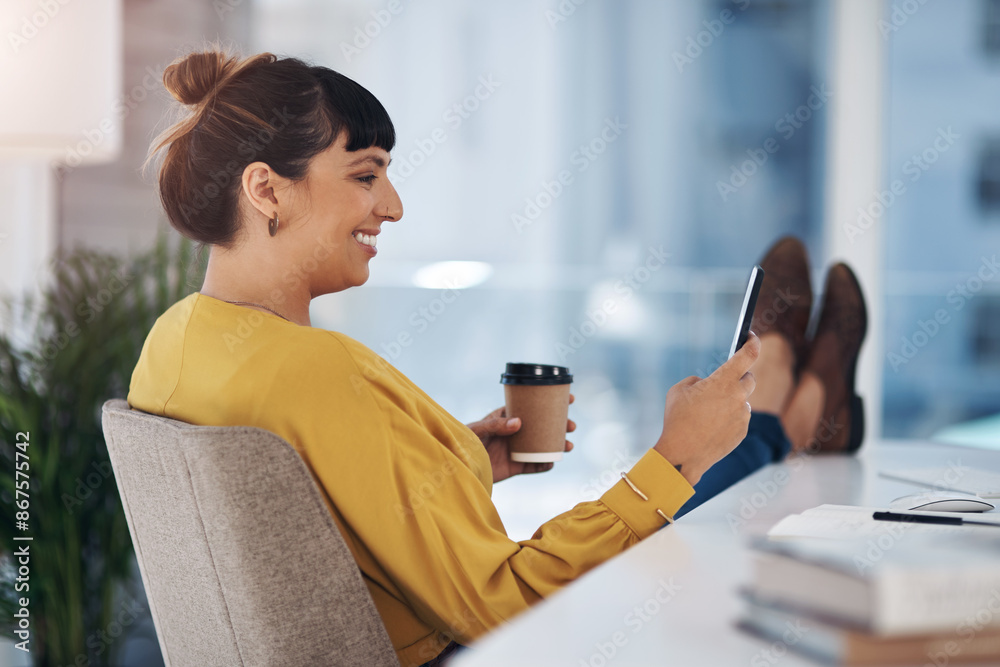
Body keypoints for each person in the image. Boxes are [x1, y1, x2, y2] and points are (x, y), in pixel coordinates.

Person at [128, 49, 865, 667]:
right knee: (705, 520)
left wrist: (463, 459)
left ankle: (786, 412)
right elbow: (503, 605)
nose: (393, 205)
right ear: (266, 189)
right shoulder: (315, 373)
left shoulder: (173, 345)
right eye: (364, 175)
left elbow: (306, 518)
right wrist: (675, 456)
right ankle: (782, 415)